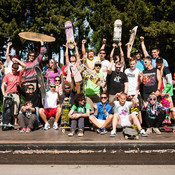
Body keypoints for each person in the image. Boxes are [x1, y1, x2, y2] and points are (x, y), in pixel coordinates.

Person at [1, 59, 26, 126]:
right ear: (11, 68)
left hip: (16, 93)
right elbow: (3, 84)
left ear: (17, 69)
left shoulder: (19, 74)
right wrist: (4, 93)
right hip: (8, 93)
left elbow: (24, 66)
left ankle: (15, 122)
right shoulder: (7, 75)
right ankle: (5, 122)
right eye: (13, 70)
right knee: (6, 108)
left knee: (16, 106)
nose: (14, 71)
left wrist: (17, 60)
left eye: (15, 70)